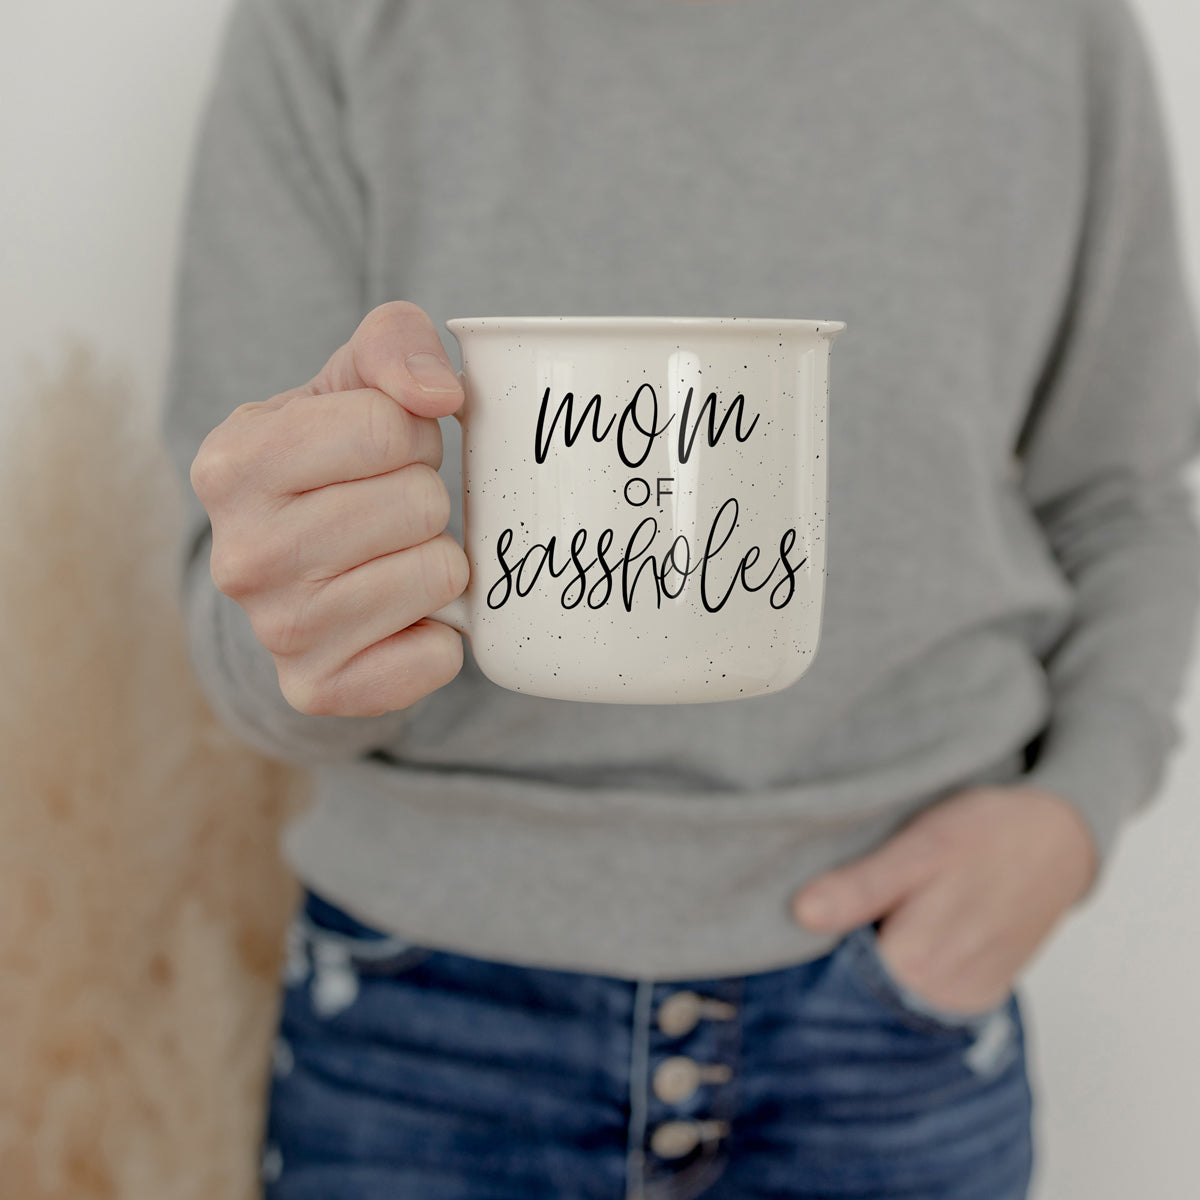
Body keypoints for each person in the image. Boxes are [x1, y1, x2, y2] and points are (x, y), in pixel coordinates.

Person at [162, 0, 1200, 1196]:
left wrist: (1074, 816)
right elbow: (234, 580)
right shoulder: (329, 21)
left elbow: (1123, 498)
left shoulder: (1053, 28)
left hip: (897, 1003)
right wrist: (306, 635)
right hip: (420, 1020)